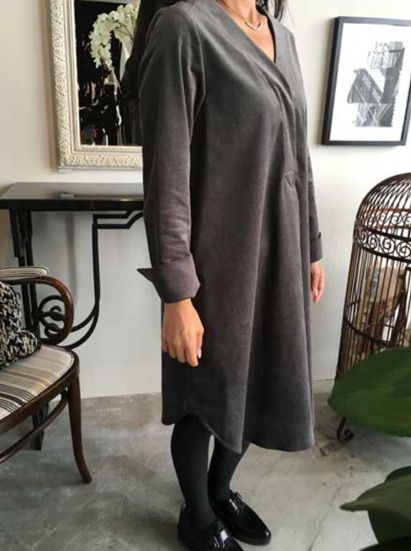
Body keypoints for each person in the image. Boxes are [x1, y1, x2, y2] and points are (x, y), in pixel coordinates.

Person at [122, 0, 325, 549]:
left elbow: (298, 156)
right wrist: (177, 295)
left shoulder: (283, 37)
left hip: (280, 254)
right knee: (207, 396)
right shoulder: (183, 28)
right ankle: (197, 518)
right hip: (216, 265)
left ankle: (219, 490)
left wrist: (311, 246)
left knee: (259, 383)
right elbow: (166, 175)